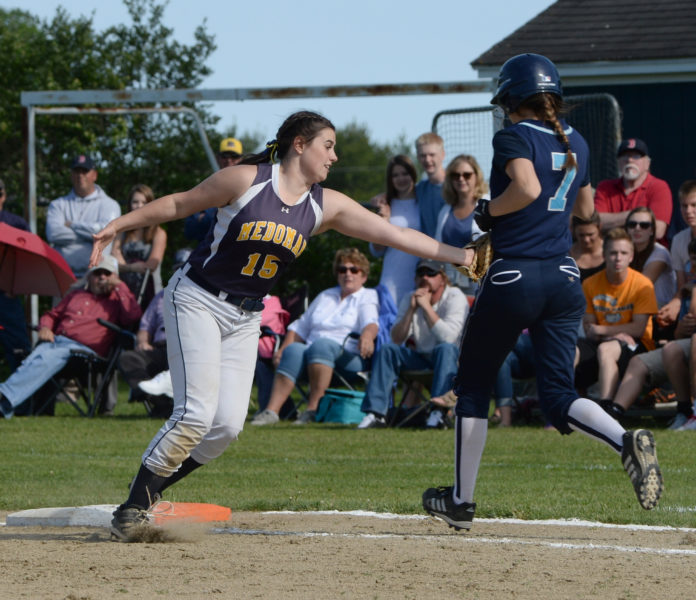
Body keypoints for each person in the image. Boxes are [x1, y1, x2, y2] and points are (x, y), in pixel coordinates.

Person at [89, 110, 470, 541]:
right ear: (300, 145)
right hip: (197, 298)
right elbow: (179, 203)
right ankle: (134, 507)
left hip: (247, 315)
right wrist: (117, 226)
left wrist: (461, 256)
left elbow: (393, 235)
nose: (335, 156)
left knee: (227, 428)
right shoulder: (247, 180)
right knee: (195, 415)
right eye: (328, 145)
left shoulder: (323, 204)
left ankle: (146, 495)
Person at [421, 54, 663, 534]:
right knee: (558, 396)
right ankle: (624, 439)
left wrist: (490, 214)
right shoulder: (577, 140)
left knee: (472, 386)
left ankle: (462, 502)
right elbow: (588, 210)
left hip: (514, 277)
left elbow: (527, 188)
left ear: (512, 99)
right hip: (564, 278)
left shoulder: (512, 135)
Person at [0, 255, 141, 418]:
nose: (102, 277)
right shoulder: (76, 295)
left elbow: (133, 317)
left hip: (85, 351)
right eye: (98, 273)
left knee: (46, 356)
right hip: (56, 341)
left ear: (115, 277)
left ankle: (4, 394)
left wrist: (121, 287)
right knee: (31, 358)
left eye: (107, 274)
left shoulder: (117, 301)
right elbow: (52, 315)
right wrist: (45, 327)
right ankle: (6, 406)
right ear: (90, 277)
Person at [251, 248, 379, 426]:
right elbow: (300, 327)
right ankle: (271, 411)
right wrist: (283, 348)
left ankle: (313, 410)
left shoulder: (367, 296)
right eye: (342, 270)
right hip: (310, 356)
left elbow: (371, 322)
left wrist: (367, 335)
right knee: (294, 349)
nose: (347, 274)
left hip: (349, 359)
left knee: (322, 345)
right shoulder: (325, 295)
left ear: (364, 275)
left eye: (354, 270)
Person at [357, 258, 468, 429]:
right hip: (422, 358)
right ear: (415, 279)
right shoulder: (410, 297)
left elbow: (449, 338)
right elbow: (397, 339)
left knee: (445, 349)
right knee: (388, 350)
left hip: (451, 360)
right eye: (420, 273)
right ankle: (376, 414)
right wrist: (411, 310)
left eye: (431, 273)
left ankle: (438, 412)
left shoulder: (455, 297)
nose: (425, 277)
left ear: (442, 278)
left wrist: (426, 308)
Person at [575, 228, 659, 401]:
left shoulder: (643, 284)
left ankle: (605, 410)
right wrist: (609, 333)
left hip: (637, 346)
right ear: (604, 255)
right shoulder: (590, 284)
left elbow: (638, 329)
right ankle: (563, 406)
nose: (618, 258)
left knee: (608, 349)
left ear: (631, 256)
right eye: (613, 253)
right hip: (600, 340)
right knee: (569, 349)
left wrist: (604, 331)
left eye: (623, 253)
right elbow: (590, 329)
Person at [45, 154, 121, 280]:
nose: (80, 175)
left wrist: (73, 225)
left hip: (98, 279)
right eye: (76, 171)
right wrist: (92, 237)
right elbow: (54, 234)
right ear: (71, 175)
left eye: (85, 171)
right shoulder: (57, 205)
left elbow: (105, 234)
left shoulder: (110, 205)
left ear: (94, 175)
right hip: (63, 278)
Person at [594, 138, 672, 241]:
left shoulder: (659, 187)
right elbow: (595, 224)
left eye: (636, 156)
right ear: (618, 162)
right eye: (625, 156)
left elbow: (658, 231)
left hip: (649, 253)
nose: (629, 160)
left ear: (647, 163)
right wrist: (639, 218)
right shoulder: (604, 187)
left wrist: (612, 223)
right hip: (612, 251)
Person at [368, 155, 421, 305]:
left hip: (421, 277)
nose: (401, 179)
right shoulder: (385, 204)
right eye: (395, 175)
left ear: (413, 174)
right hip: (391, 279)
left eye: (405, 173)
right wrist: (383, 220)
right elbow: (376, 249)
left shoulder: (423, 200)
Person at [434, 154, 488, 294]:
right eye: (455, 175)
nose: (461, 179)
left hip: (479, 283)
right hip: (450, 284)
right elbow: (437, 246)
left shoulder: (487, 205)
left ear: (477, 176)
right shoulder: (445, 211)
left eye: (467, 175)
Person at [111, 184, 167, 307]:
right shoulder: (122, 232)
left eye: (144, 202)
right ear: (129, 205)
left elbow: (152, 264)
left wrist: (126, 266)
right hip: (123, 291)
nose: (139, 206)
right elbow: (114, 259)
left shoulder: (158, 233)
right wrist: (132, 268)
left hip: (149, 291)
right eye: (135, 202)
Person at [184, 137, 244, 242]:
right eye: (225, 156)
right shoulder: (205, 186)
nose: (229, 160)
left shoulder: (251, 187)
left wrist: (205, 216)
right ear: (218, 158)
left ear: (241, 159)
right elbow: (190, 229)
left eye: (234, 156)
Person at [0, 179, 31, 372]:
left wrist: (17, 286)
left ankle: (23, 399)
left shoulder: (16, 224)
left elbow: (29, 259)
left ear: (2, 195)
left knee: (19, 350)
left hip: (6, 296)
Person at [658, 180, 696, 328]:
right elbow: (682, 285)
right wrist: (674, 303)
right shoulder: (679, 240)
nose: (688, 211)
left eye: (694, 205)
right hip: (688, 306)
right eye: (684, 206)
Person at [624, 207, 675, 310]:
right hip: (634, 308)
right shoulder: (623, 251)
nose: (637, 228)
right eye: (632, 225)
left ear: (652, 231)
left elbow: (640, 287)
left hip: (660, 313)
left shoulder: (660, 252)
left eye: (644, 225)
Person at [415, 132, 447, 238]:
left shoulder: (458, 185)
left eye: (432, 155)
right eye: (423, 155)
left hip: (455, 251)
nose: (427, 160)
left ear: (442, 155)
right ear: (418, 157)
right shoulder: (420, 189)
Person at [569, 212, 605, 281]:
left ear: (600, 227)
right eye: (581, 235)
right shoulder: (568, 255)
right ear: (573, 230)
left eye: (590, 234)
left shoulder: (612, 250)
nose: (586, 240)